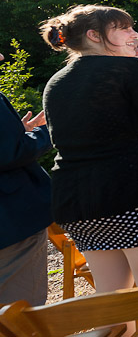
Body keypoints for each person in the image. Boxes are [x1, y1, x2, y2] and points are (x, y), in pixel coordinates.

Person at [40, 5, 138, 334]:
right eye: (124, 28)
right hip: (135, 192)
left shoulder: (55, 82)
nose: (134, 34)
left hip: (78, 202)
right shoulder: (128, 69)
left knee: (112, 300)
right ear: (94, 35)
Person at [0, 52, 51, 307]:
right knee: (21, 312)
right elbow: (10, 153)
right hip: (10, 221)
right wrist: (48, 132)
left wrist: (19, 133)